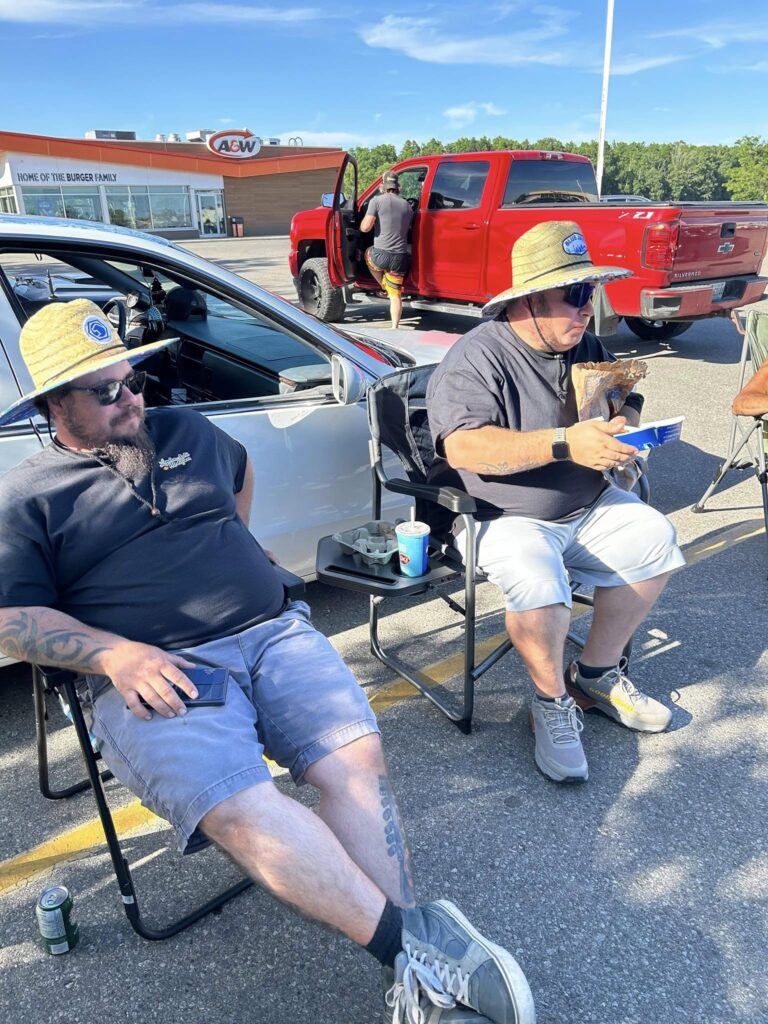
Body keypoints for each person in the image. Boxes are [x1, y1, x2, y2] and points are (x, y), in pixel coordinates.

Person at [0, 300, 534, 1024]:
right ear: (55, 405)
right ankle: (413, 949)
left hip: (272, 631)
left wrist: (237, 552)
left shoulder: (184, 430)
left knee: (356, 759)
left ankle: (419, 968)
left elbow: (240, 474)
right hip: (157, 670)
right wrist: (115, 654)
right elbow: (13, 620)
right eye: (107, 391)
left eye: (134, 379)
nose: (133, 399)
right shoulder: (28, 496)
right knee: (237, 804)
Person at [426, 222, 686, 784]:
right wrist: (565, 442)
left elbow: (626, 394)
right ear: (529, 300)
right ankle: (550, 702)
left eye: (591, 291)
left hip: (588, 503)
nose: (587, 307)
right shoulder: (477, 357)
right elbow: (463, 446)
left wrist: (624, 428)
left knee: (655, 538)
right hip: (502, 515)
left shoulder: (581, 343)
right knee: (538, 579)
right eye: (574, 293)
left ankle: (594, 674)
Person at [360, 169, 414, 329]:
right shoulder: (407, 206)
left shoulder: (376, 201)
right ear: (398, 187)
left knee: (367, 253)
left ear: (382, 186)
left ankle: (383, 285)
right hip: (400, 258)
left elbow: (365, 228)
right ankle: (394, 327)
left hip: (380, 256)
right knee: (396, 295)